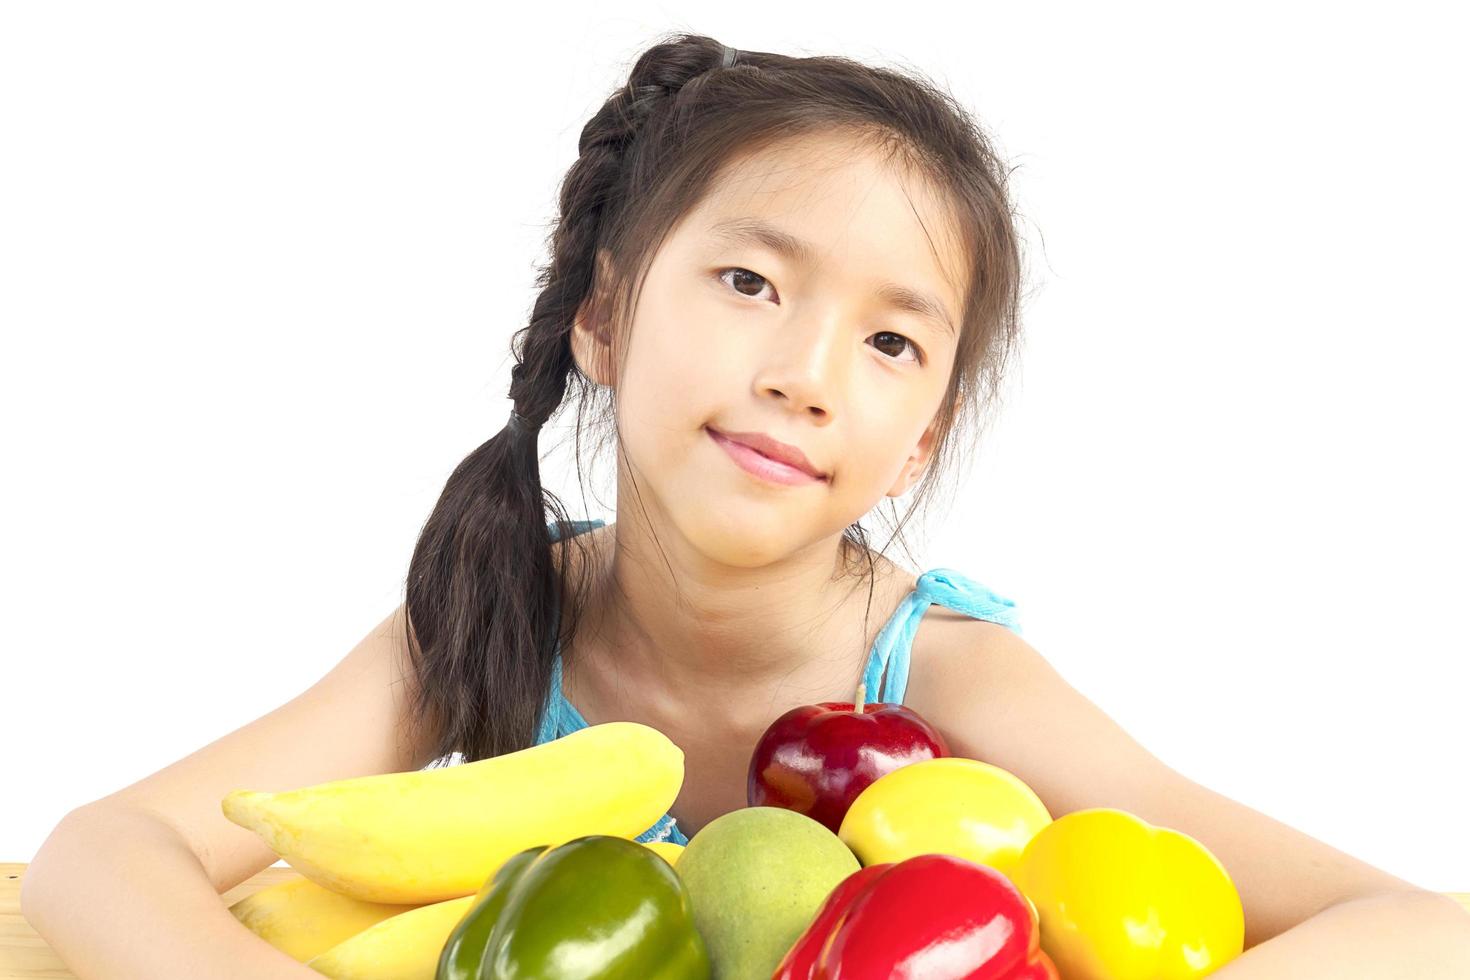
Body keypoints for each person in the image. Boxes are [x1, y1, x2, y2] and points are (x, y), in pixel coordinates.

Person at [24, 31, 1467, 980]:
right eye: (751, 283)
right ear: (600, 318)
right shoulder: (493, 612)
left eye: (890, 341)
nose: (803, 374)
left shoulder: (945, 675)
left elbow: (1421, 928)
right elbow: (104, 849)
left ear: (919, 442)